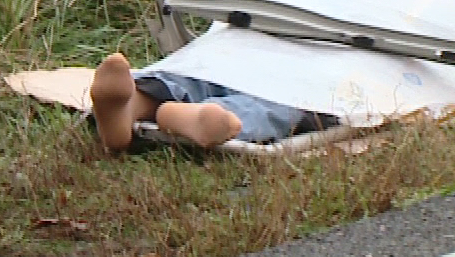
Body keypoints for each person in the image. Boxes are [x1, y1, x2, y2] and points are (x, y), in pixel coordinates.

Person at [89, 52, 332, 151]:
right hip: (301, 66)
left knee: (204, 74)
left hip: (287, 59)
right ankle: (134, 105)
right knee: (278, 102)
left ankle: (143, 103)